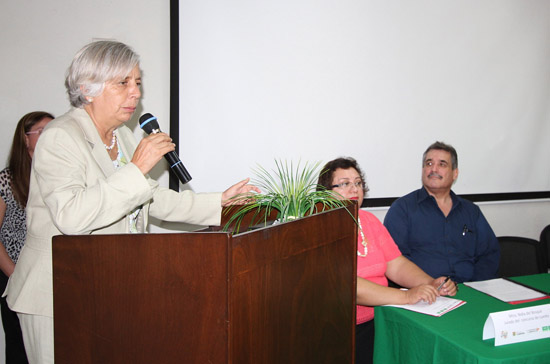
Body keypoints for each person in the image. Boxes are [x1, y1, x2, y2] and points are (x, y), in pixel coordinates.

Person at [4, 40, 259, 364]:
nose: (135, 93)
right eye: (123, 82)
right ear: (88, 88)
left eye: (137, 82)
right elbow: (70, 215)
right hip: (57, 294)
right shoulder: (60, 136)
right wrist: (136, 169)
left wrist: (218, 203)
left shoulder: (120, 136)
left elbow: (150, 198)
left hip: (108, 282)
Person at [318, 157, 456, 364]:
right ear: (325, 193)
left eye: (358, 183)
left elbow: (396, 264)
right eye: (345, 184)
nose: (354, 189)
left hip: (383, 319)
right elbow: (347, 285)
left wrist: (429, 283)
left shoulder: (368, 221)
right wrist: (407, 296)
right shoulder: (317, 229)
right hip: (341, 332)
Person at [383, 141, 500, 283]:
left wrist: (475, 286)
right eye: (429, 163)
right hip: (422, 292)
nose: (434, 169)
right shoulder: (402, 209)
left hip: (470, 289)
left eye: (442, 164)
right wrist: (428, 285)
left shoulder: (471, 211)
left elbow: (489, 254)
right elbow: (394, 260)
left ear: (454, 173)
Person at [0, 111, 53, 364]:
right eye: (42, 131)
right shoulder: (7, 179)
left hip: (51, 275)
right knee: (20, 348)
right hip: (14, 274)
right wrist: (14, 273)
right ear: (24, 139)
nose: (49, 136)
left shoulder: (57, 176)